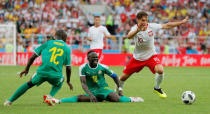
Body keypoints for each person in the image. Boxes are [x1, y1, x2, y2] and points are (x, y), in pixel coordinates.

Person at [116, 11, 189, 98]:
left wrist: (181, 22)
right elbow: (129, 36)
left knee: (160, 70)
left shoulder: (152, 26)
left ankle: (157, 88)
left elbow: (167, 25)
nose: (145, 22)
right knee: (123, 77)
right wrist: (137, 30)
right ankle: (118, 90)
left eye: (146, 20)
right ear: (138, 20)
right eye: (143, 20)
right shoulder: (134, 28)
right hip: (137, 58)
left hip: (151, 56)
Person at [45, 51, 143, 105]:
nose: (96, 59)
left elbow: (115, 76)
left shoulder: (103, 67)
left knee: (115, 98)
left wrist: (120, 88)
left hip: (103, 89)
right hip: (91, 90)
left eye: (97, 57)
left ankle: (132, 99)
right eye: (93, 58)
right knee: (79, 98)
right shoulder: (82, 68)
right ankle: (57, 100)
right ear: (88, 59)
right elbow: (83, 83)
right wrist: (90, 94)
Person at [4, 30, 73, 106]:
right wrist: (68, 81)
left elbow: (32, 57)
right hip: (55, 75)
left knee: (29, 84)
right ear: (65, 38)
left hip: (42, 72)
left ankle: (9, 101)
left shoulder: (47, 43)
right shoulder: (67, 48)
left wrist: (26, 69)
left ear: (55, 37)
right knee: (61, 80)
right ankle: (49, 96)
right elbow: (68, 68)